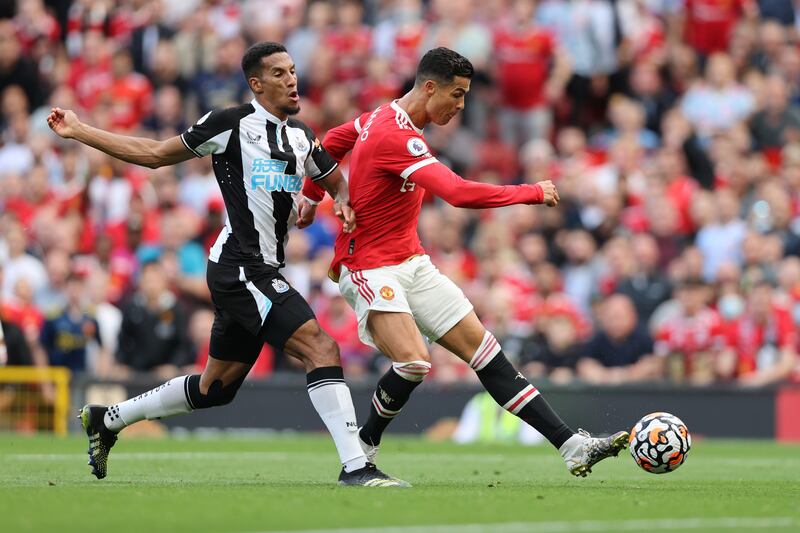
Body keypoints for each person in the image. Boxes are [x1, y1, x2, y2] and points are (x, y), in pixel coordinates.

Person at [47, 41, 406, 487]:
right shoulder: (230, 124)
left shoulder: (301, 136)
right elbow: (156, 154)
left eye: (293, 70)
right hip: (239, 265)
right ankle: (357, 466)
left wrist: (337, 200)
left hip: (264, 269)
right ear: (255, 84)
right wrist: (81, 131)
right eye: (279, 73)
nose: (292, 79)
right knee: (321, 348)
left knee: (215, 388)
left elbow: (333, 177)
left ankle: (108, 419)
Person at [302, 47, 628, 477]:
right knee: (414, 362)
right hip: (365, 264)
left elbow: (329, 143)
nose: (460, 106)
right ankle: (363, 448)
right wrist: (530, 191)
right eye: (456, 95)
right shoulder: (395, 135)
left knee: (488, 355)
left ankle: (572, 446)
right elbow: (456, 193)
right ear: (430, 87)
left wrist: (316, 196)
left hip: (410, 261)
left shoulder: (378, 117)